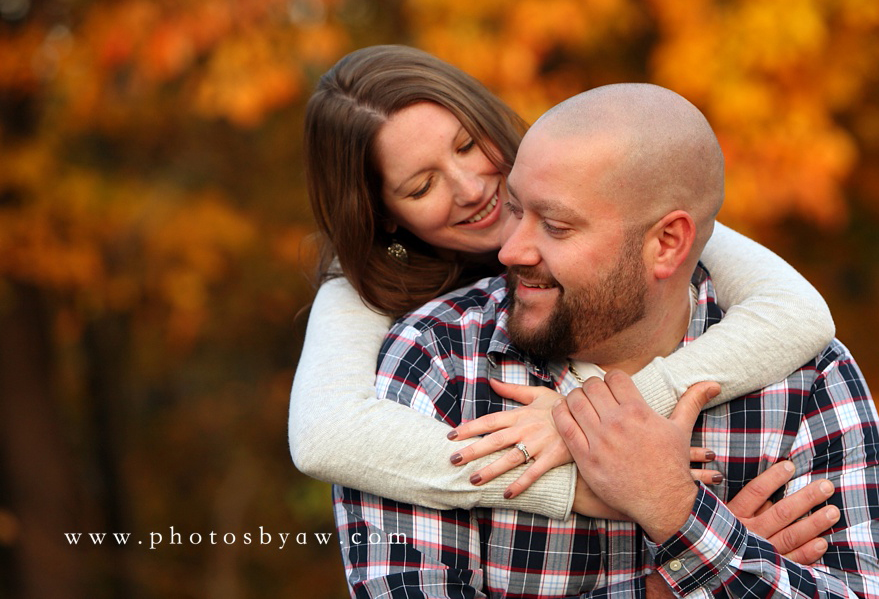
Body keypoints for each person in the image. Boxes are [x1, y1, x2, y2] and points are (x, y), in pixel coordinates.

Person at [333, 84, 879, 598]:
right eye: (516, 210)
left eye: (555, 225)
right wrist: (683, 567)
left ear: (667, 244)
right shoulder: (435, 361)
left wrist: (675, 508)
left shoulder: (804, 377)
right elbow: (323, 434)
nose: (508, 250)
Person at [289, 45, 837, 524]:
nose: (472, 187)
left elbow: (797, 314)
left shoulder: (593, 191)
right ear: (383, 216)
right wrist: (571, 484)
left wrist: (580, 418)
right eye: (422, 185)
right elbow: (326, 437)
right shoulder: (366, 295)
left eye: (464, 146)